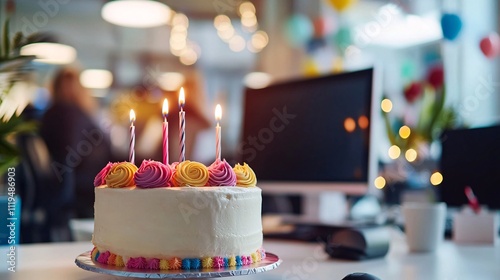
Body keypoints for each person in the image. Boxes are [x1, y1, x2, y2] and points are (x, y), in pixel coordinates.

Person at [40, 67, 112, 223]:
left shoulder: (67, 112)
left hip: (87, 184)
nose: (68, 89)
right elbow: (66, 157)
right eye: (65, 84)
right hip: (86, 188)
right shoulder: (66, 113)